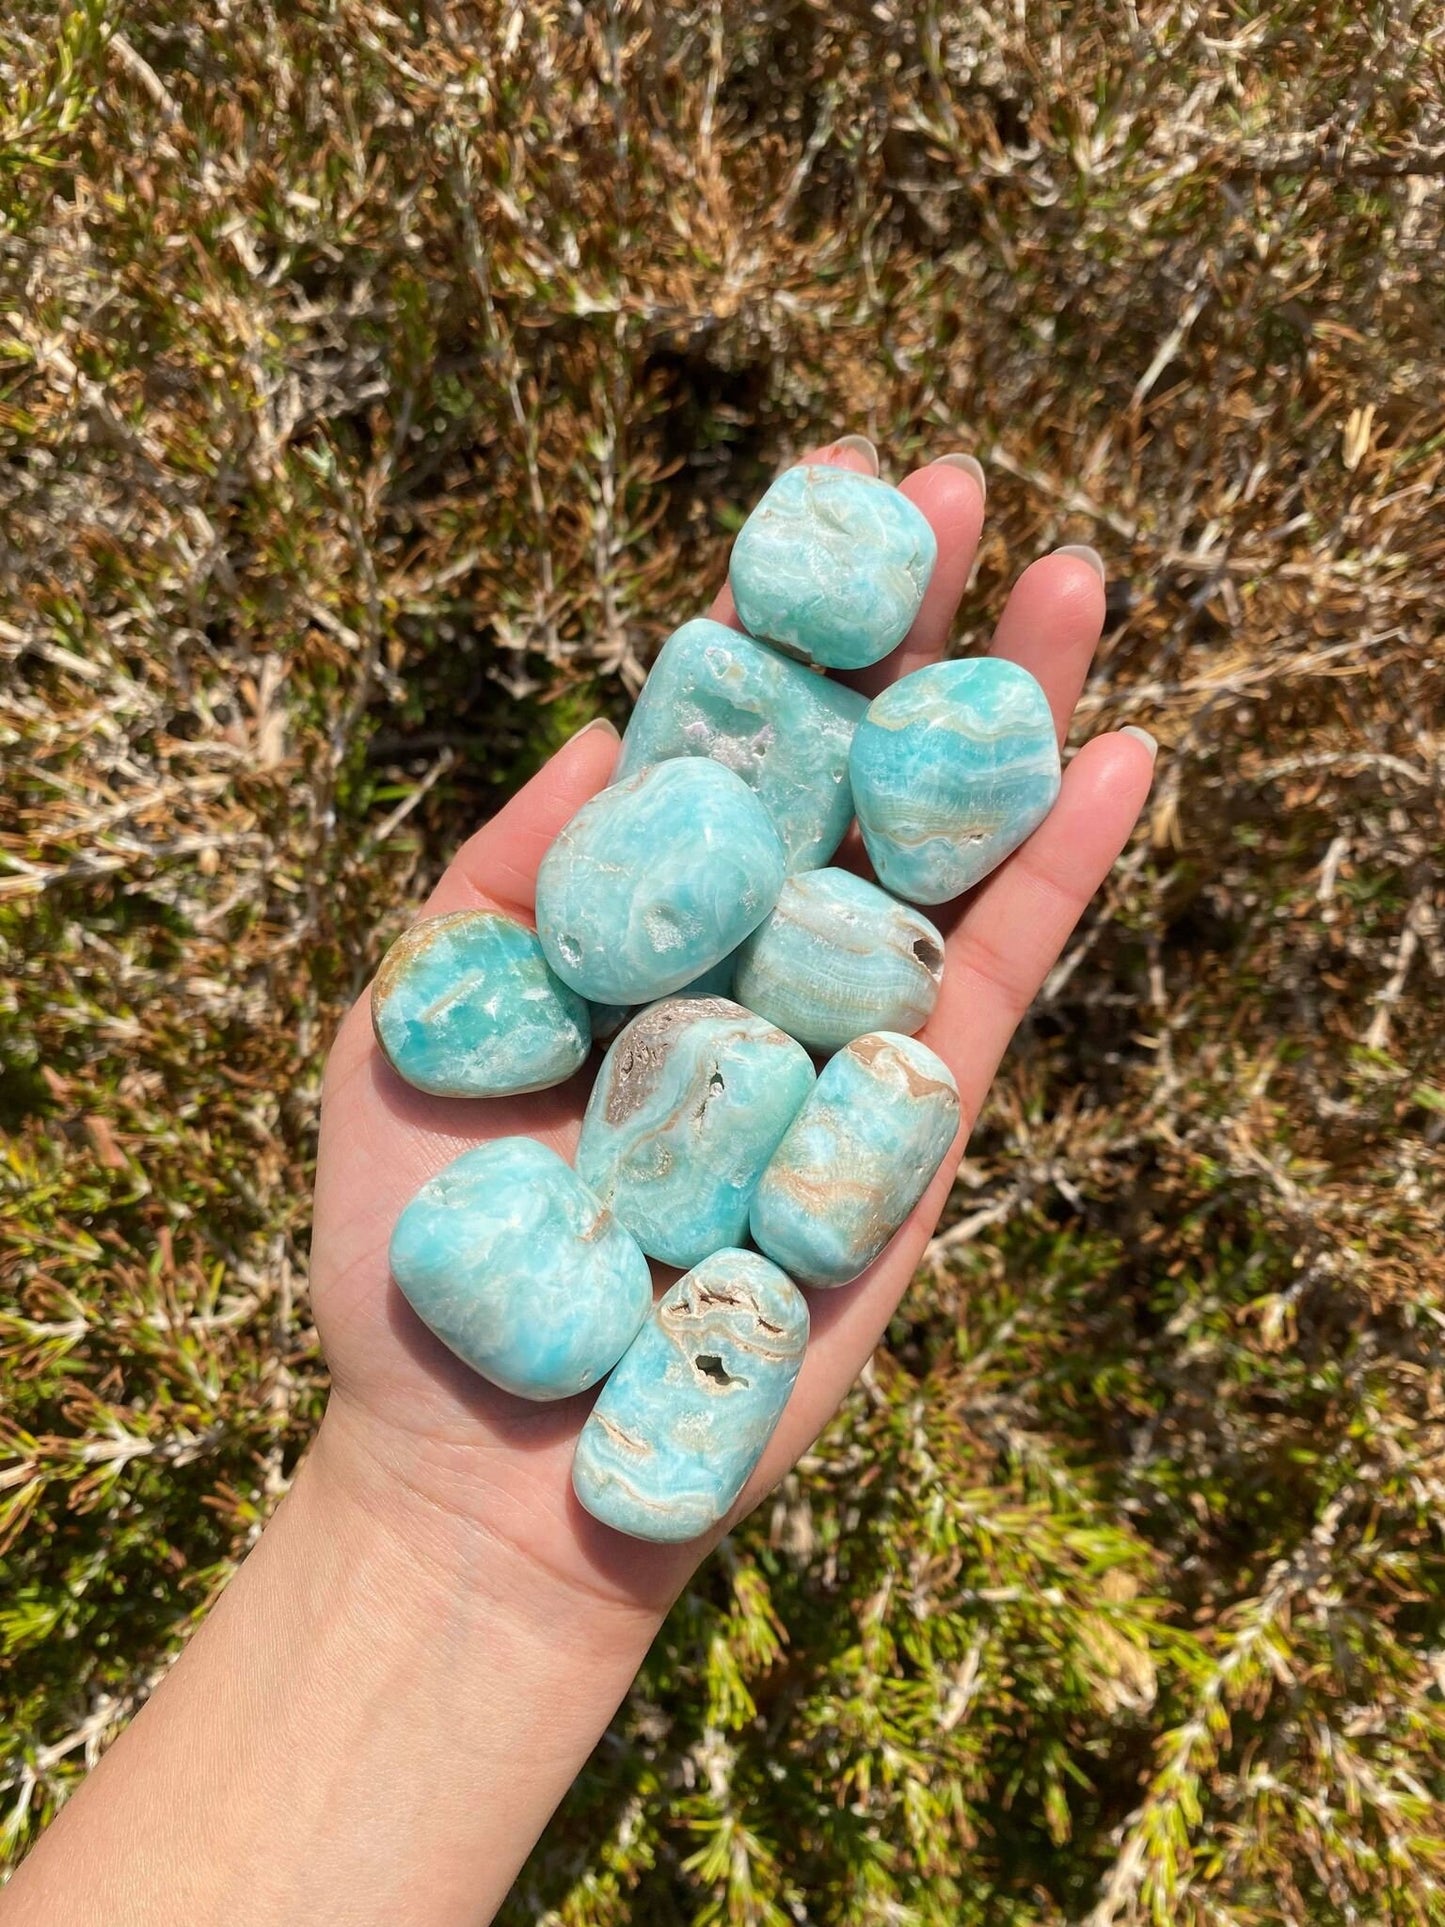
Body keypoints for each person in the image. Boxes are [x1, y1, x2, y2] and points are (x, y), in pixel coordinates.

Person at [2, 437, 1156, 1925]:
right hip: (646, 1198)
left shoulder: (726, 982)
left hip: (680, 1182)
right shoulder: (646, 1047)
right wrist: (430, 1516)